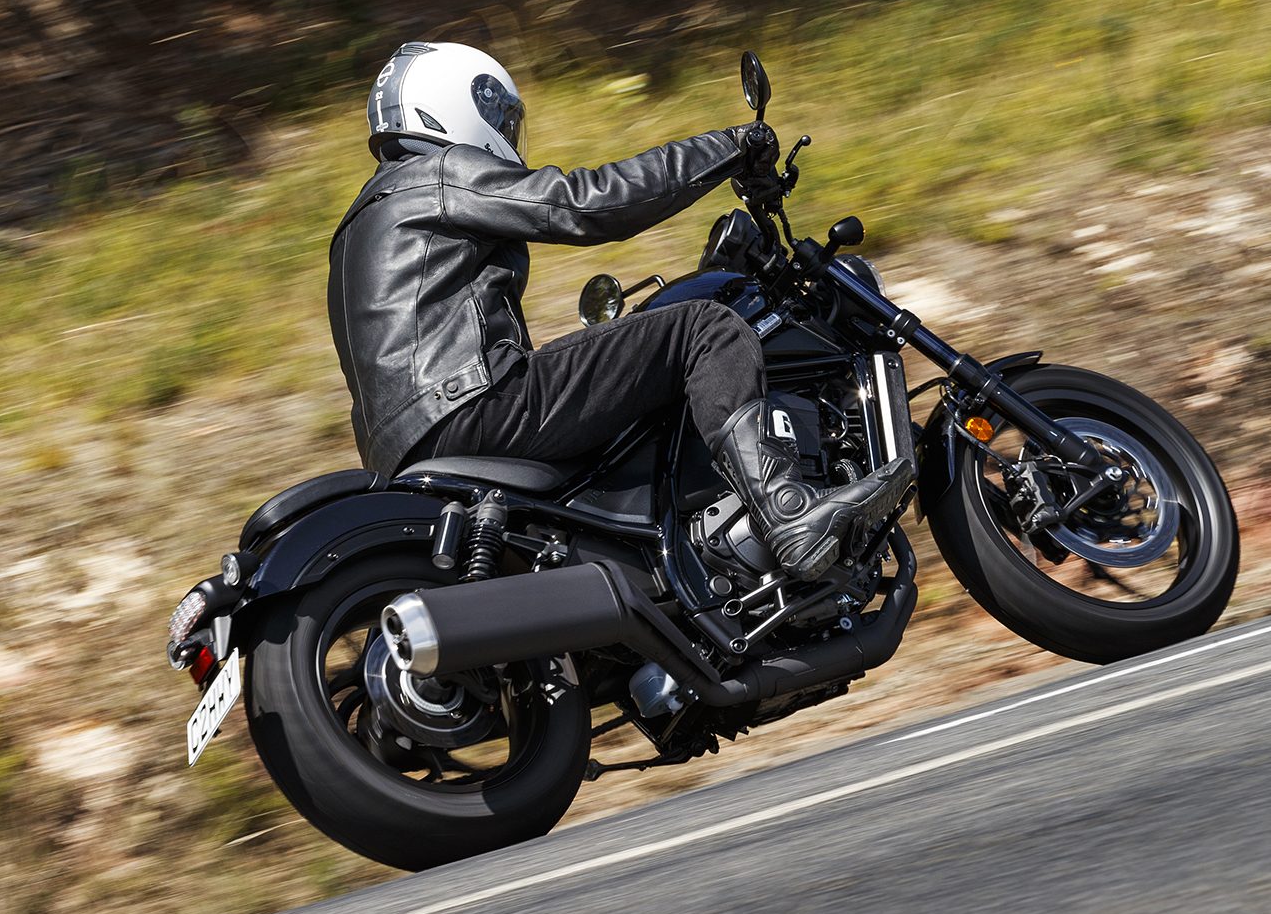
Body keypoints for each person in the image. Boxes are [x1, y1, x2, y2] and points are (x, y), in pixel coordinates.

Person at [327, 41, 911, 581]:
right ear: (452, 105)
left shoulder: (355, 229)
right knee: (703, 328)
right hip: (474, 404)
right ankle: (787, 513)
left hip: (402, 450)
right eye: (500, 116)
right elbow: (584, 204)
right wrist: (728, 148)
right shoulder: (434, 175)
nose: (507, 133)